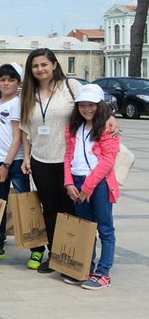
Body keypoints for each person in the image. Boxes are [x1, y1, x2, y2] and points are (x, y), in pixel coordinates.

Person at [19, 48, 84, 273]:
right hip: (41, 159)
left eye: (44, 64)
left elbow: (95, 108)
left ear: (54, 65)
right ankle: (55, 254)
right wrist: (26, 156)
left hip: (69, 160)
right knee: (49, 208)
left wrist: (111, 120)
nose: (40, 69)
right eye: (35, 66)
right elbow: (26, 130)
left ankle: (75, 254)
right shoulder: (27, 93)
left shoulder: (71, 87)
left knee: (71, 208)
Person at [63, 85, 119, 290]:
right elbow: (68, 155)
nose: (87, 109)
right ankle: (86, 267)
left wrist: (88, 186)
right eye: (82, 105)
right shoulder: (73, 126)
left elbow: (107, 161)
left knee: (104, 227)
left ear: (99, 105)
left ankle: (103, 272)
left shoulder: (107, 127)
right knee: (85, 228)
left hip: (99, 184)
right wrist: (68, 182)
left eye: (91, 105)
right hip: (77, 183)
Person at [0, 63, 32, 262]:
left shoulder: (18, 104)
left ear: (18, 83)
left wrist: (6, 164)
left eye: (11, 80)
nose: (6, 83)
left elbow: (17, 138)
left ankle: (36, 248)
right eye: (3, 79)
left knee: (25, 205)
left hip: (14, 162)